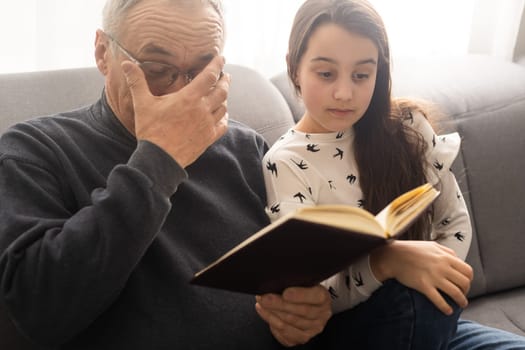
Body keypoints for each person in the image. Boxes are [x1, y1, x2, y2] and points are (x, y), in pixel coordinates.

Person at [0, 0, 331, 348]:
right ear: (102, 53)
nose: (182, 93)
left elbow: (292, 279)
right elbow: (37, 311)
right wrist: (160, 159)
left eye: (204, 72)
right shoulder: (33, 151)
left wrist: (309, 310)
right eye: (158, 69)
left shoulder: (247, 148)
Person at [259, 0, 525, 349]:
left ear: (378, 72)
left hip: (429, 317)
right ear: (294, 68)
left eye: (361, 75)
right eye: (326, 74)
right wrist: (386, 263)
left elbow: (454, 225)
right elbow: (316, 294)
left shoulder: (409, 128)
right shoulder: (285, 162)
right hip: (351, 333)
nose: (344, 92)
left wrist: (434, 275)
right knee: (410, 299)